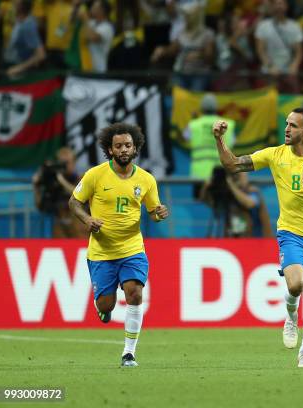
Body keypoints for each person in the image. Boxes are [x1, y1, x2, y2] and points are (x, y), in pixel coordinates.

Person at [212, 107, 303, 368]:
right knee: (296, 285)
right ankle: (290, 317)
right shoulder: (275, 155)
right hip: (290, 232)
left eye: (293, 125)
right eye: (286, 123)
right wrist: (219, 140)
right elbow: (232, 164)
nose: (286, 129)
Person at [68, 122, 169, 367]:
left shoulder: (146, 180)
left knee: (135, 293)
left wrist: (159, 213)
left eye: (127, 145)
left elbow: (153, 211)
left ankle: (129, 353)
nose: (123, 149)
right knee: (106, 304)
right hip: (101, 252)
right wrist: (87, 218)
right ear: (110, 150)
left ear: (135, 148)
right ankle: (104, 308)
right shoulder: (95, 175)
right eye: (118, 146)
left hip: (132, 248)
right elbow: (74, 202)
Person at [184, 93, 235, 200]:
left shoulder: (194, 124)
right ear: (216, 107)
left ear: (202, 107)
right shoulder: (227, 124)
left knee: (199, 205)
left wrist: (195, 119)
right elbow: (232, 142)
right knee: (221, 204)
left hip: (199, 174)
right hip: (220, 174)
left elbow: (185, 137)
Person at [32, 146, 87, 238]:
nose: (64, 166)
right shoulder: (55, 184)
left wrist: (61, 180)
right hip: (60, 228)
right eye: (61, 162)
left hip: (79, 228)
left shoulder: (82, 178)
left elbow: (78, 195)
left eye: (67, 162)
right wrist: (36, 187)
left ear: (74, 162)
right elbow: (40, 206)